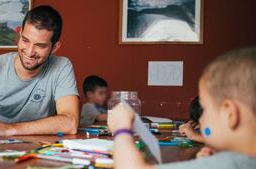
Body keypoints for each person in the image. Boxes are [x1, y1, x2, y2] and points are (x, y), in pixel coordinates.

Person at [108, 46, 256, 169]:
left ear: (229, 114)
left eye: (204, 109)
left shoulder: (232, 163)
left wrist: (122, 130)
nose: (201, 119)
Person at [0, 5, 80, 137]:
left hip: (40, 153)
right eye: (25, 40)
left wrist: (9, 129)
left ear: (54, 47)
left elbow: (70, 123)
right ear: (20, 35)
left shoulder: (62, 66)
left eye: (40, 45)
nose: (30, 52)